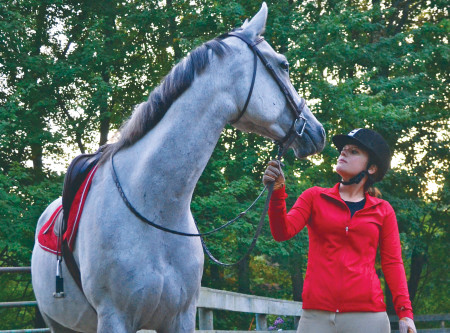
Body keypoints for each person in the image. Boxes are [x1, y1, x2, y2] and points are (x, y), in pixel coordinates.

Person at [263, 128, 416, 333]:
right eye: (344, 150)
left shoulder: (383, 210)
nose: (343, 153)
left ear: (371, 168)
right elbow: (282, 233)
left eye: (354, 152)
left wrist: (405, 313)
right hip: (316, 316)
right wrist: (277, 193)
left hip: (368, 317)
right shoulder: (314, 197)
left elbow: (393, 263)